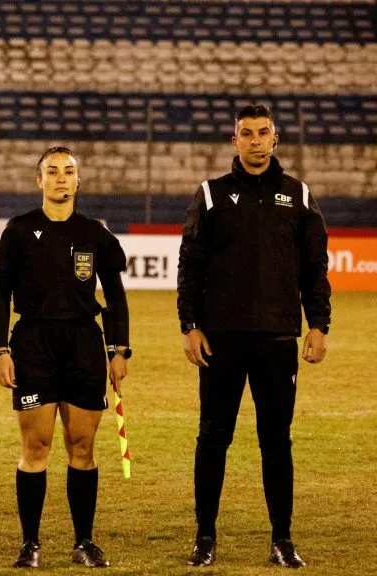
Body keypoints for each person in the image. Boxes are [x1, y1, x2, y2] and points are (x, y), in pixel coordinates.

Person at [178, 104, 330, 569]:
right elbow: (190, 265)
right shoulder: (211, 195)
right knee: (212, 438)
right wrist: (190, 325)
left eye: (264, 133)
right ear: (235, 141)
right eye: (247, 134)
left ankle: (281, 539)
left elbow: (314, 268)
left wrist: (318, 325)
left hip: (277, 340)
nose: (256, 141)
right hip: (221, 341)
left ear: (275, 138)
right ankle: (205, 537)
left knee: (276, 441)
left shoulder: (299, 196)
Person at [0, 146, 130, 569]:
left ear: (78, 180)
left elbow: (117, 297)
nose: (61, 178)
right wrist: (1, 350)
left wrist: (119, 348)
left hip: (84, 345)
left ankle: (84, 542)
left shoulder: (95, 234)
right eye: (52, 172)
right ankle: (30, 544)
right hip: (33, 344)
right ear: (40, 181)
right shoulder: (18, 231)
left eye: (69, 172)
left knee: (82, 446)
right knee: (36, 445)